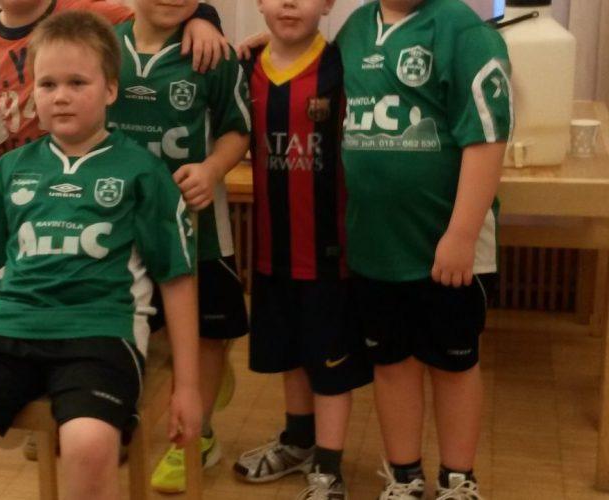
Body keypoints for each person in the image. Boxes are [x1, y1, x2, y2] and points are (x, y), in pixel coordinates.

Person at [0, 11, 202, 500]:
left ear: (110, 89)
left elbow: (177, 279)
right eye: (47, 84)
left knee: (88, 446)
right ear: (32, 93)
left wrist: (188, 386)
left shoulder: (142, 172)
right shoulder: (10, 169)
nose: (61, 96)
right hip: (8, 331)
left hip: (100, 332)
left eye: (77, 82)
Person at [336, 0, 512, 497]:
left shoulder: (463, 31)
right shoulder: (353, 30)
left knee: (454, 365)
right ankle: (404, 476)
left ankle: (458, 478)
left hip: (449, 251)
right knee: (392, 364)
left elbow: (487, 138)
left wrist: (460, 236)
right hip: (376, 245)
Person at [106, 0, 251, 493]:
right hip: (121, 233)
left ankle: (198, 433)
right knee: (125, 326)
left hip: (200, 231)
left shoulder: (214, 54)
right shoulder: (104, 47)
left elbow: (237, 130)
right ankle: (111, 413)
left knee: (208, 332)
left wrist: (212, 169)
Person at [231, 1, 372, 499]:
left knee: (328, 366)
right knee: (291, 353)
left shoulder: (344, 65)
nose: (289, 2)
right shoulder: (244, 67)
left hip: (330, 255)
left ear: (329, 3)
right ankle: (298, 441)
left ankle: (328, 468)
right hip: (272, 249)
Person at [0, 0, 229, 163]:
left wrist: (202, 18)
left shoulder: (86, 12)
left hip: (84, 170)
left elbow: (155, 13)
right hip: (13, 176)